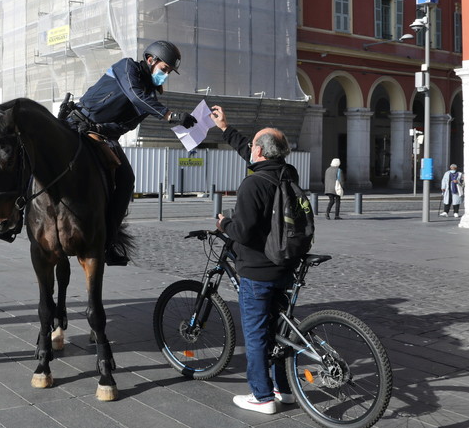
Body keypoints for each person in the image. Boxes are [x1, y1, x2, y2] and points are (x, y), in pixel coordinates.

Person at [63, 40, 197, 266]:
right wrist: (170, 116)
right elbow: (134, 95)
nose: (165, 75)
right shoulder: (127, 67)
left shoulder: (150, 98)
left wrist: (99, 129)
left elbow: (125, 126)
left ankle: (109, 240)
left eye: (169, 72)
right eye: (164, 70)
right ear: (150, 60)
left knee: (127, 179)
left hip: (98, 133)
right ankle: (17, 216)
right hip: (76, 122)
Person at [210, 105, 297, 415]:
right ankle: (283, 389)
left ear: (259, 151)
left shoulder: (253, 184)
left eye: (254, 147)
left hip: (258, 269)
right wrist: (225, 128)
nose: (251, 150)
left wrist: (223, 224)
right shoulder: (287, 174)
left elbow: (243, 233)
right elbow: (252, 150)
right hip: (286, 265)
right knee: (279, 331)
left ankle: (262, 397)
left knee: (257, 333)